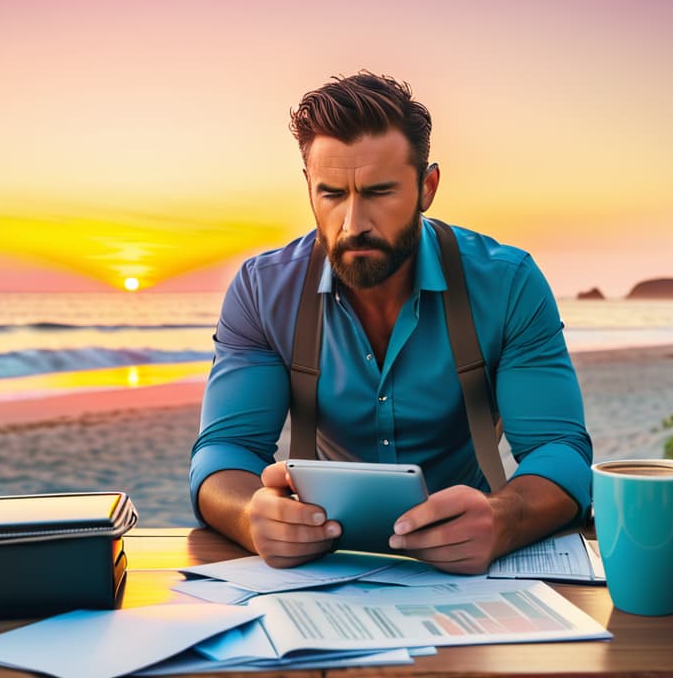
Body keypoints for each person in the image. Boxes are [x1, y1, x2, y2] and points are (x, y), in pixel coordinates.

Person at [189, 72, 591, 574]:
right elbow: (225, 451)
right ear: (309, 190)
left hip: (468, 571)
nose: (354, 223)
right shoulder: (262, 291)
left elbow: (560, 450)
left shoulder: (507, 284)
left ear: (427, 187)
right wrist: (252, 517)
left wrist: (501, 519)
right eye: (332, 194)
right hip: (321, 569)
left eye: (379, 192)